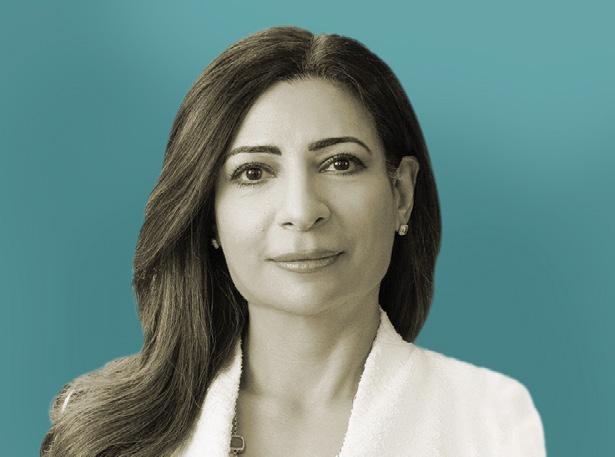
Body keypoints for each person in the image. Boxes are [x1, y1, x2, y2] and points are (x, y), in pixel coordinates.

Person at [41, 26, 546, 457]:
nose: (302, 212)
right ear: (208, 217)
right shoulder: (100, 432)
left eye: (340, 163)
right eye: (253, 172)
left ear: (401, 195)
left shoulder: (493, 422)